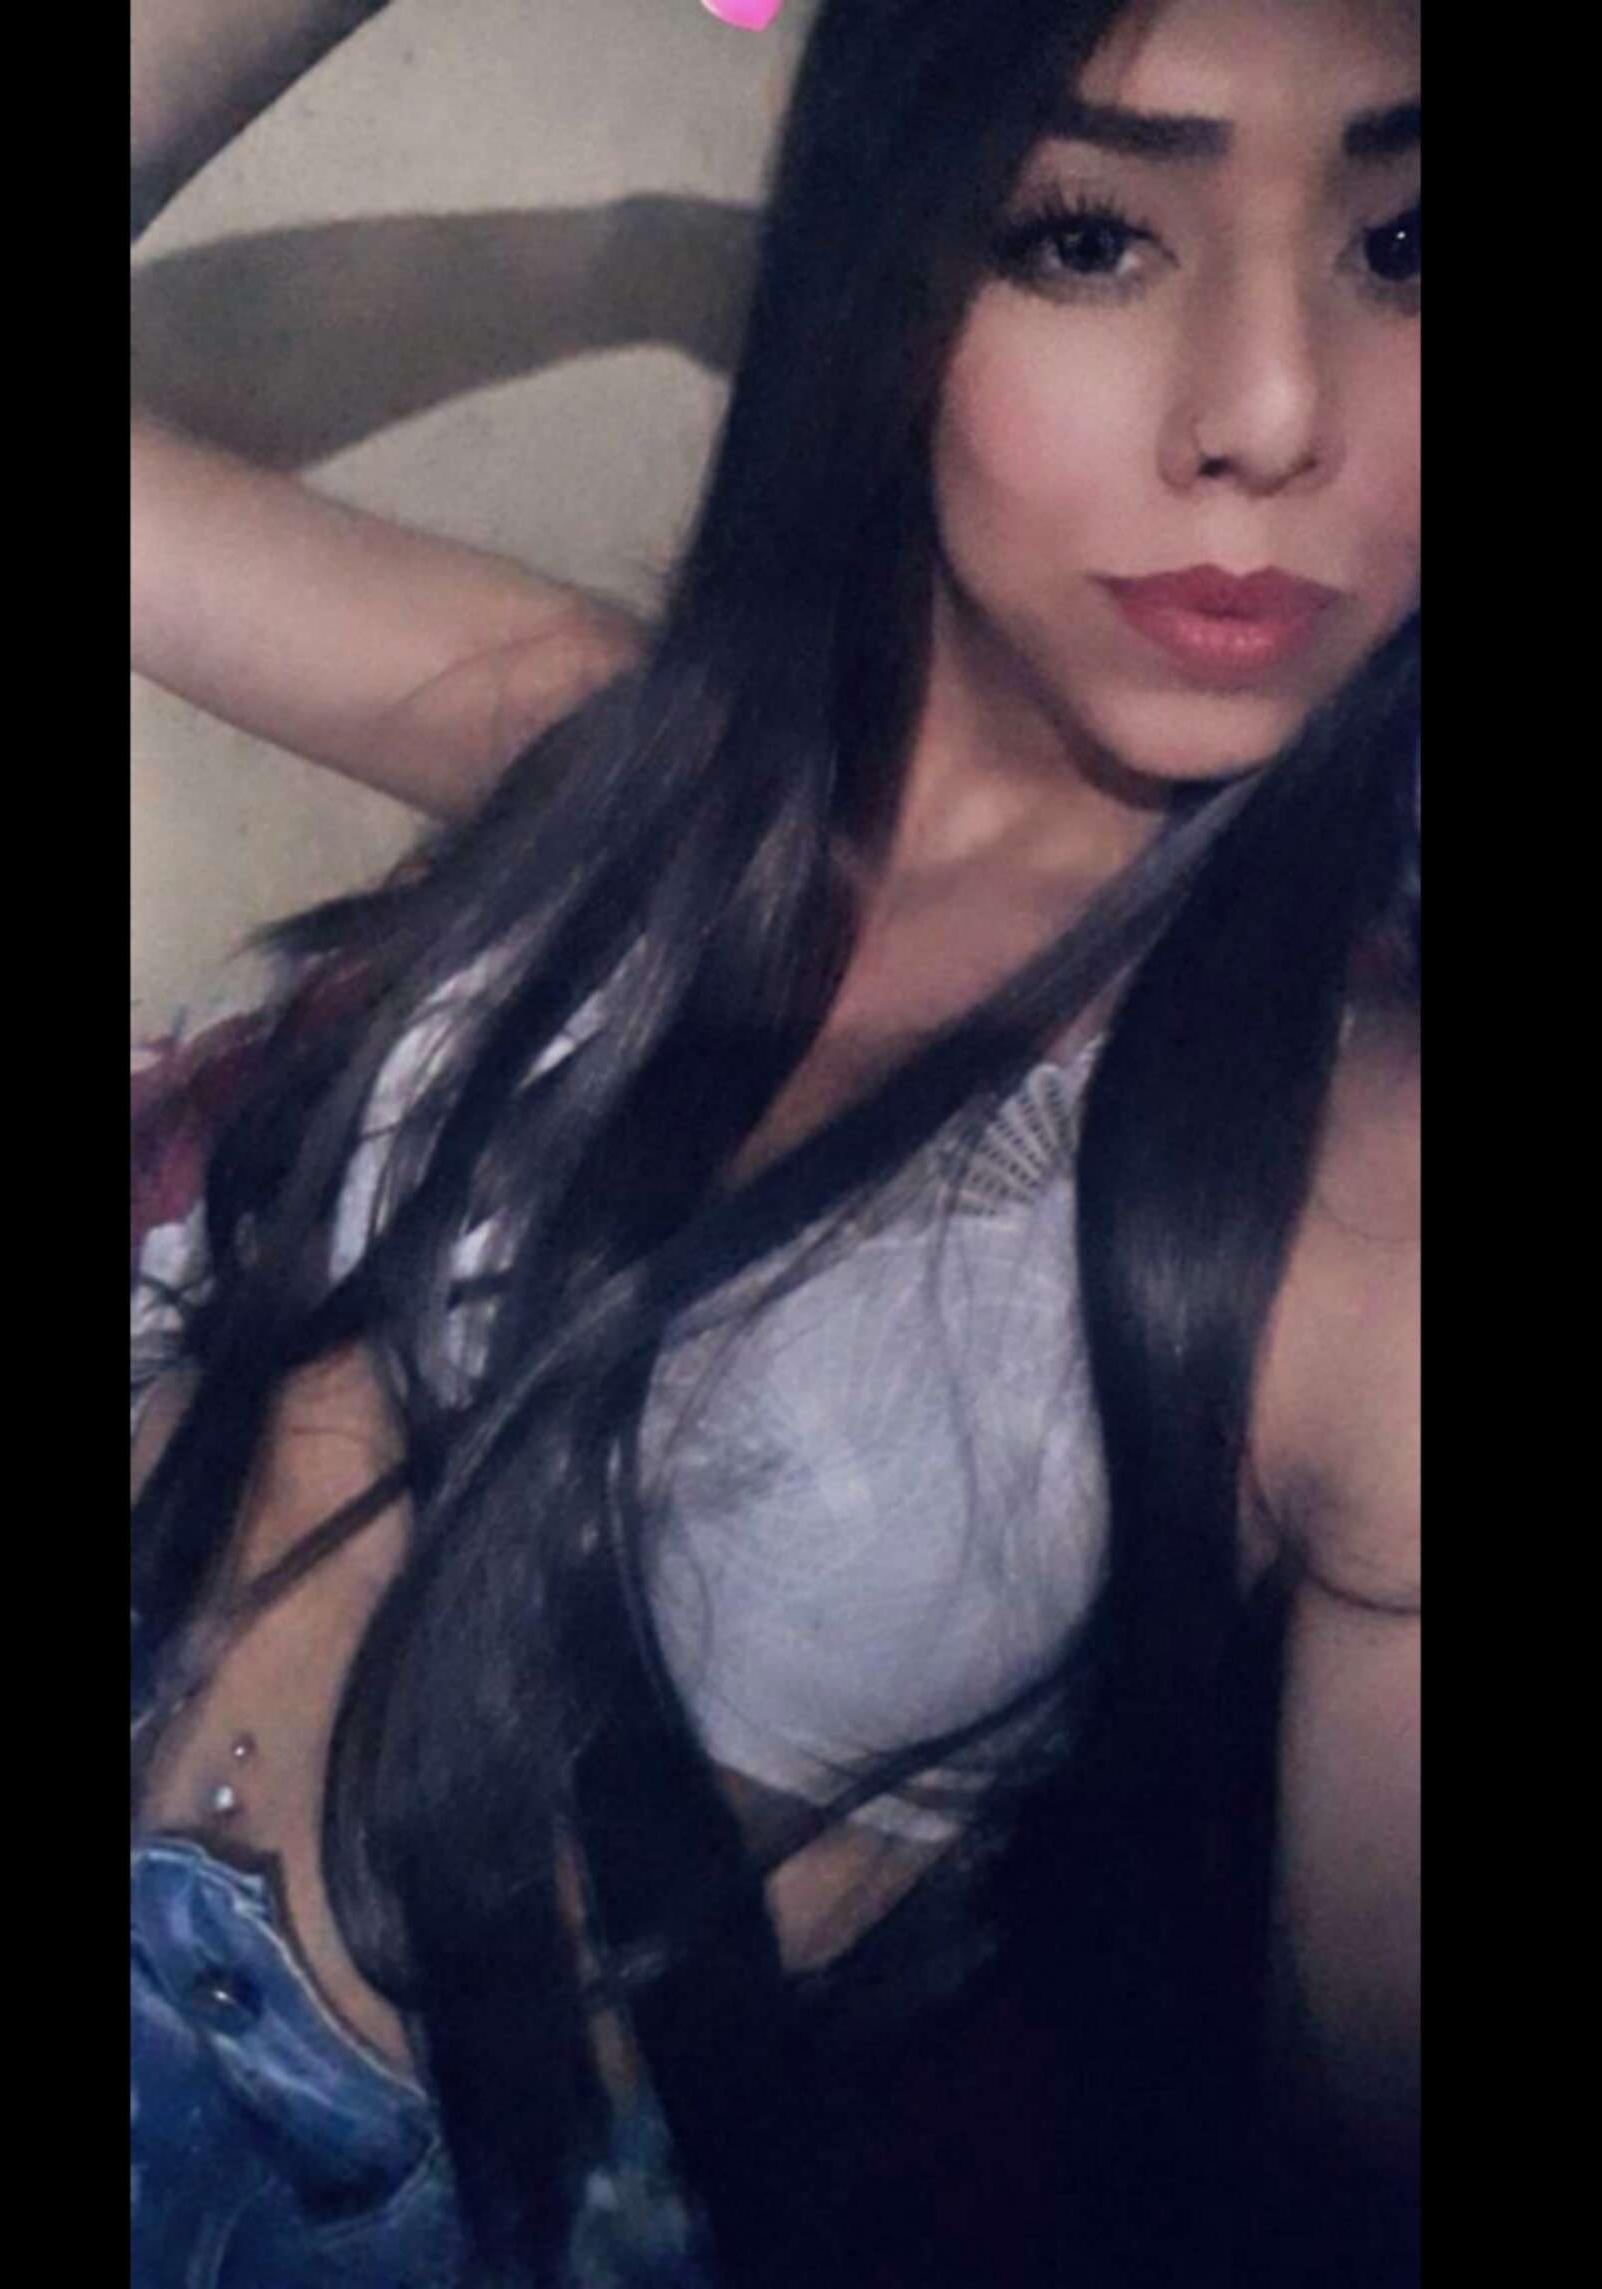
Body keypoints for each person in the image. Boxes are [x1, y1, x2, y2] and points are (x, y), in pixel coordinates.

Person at [130, 2, 1421, 2283]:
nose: (1267, 412)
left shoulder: (1367, 1216)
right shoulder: (618, 754)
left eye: (1406, 249)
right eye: (1087, 233)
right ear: (878, 270)